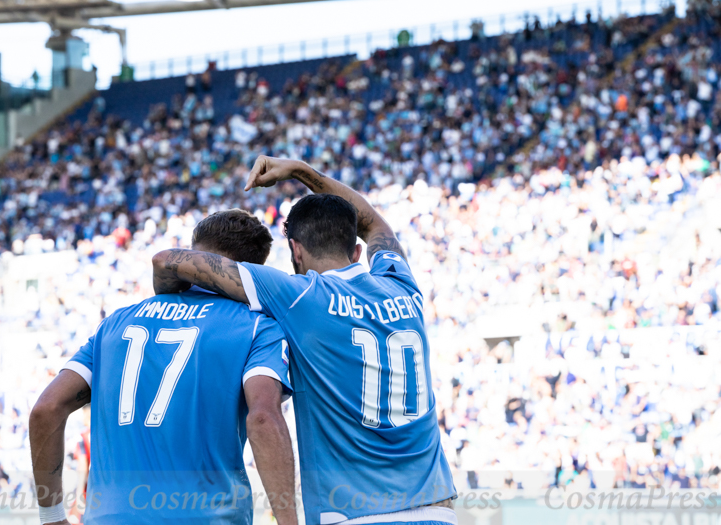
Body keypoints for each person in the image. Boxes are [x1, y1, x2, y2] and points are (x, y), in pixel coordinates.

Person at [152, 156, 458, 525]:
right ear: (357, 251)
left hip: (353, 514)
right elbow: (373, 221)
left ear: (296, 250)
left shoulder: (300, 296)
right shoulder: (401, 284)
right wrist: (302, 171)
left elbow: (168, 260)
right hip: (437, 509)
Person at [30, 209, 298, 525]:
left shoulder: (114, 324)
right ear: (253, 270)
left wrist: (52, 516)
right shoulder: (257, 328)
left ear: (192, 250)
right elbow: (264, 418)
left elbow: (46, 410)